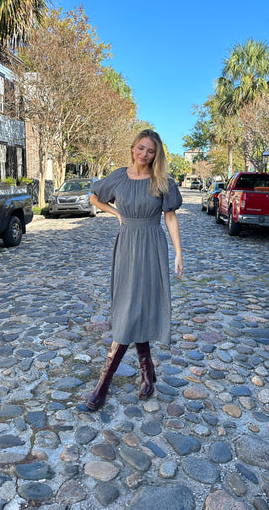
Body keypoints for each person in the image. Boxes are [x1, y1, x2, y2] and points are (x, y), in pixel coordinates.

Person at [85, 129, 183, 411]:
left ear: (156, 155)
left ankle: (103, 386)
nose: (144, 154)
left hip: (152, 245)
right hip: (127, 246)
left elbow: (170, 217)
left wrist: (178, 253)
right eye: (141, 148)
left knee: (135, 309)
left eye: (150, 151)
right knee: (129, 309)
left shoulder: (162, 181)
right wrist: (117, 214)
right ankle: (147, 372)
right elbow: (94, 198)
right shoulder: (118, 177)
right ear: (132, 149)